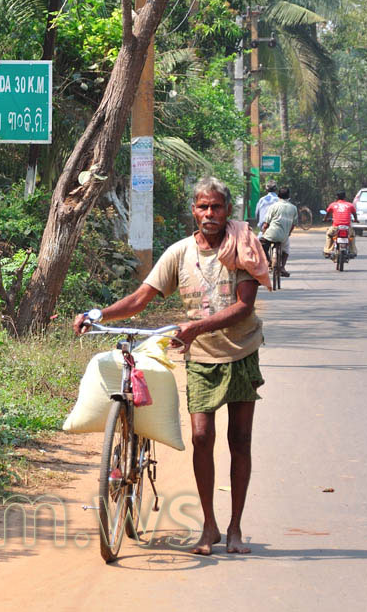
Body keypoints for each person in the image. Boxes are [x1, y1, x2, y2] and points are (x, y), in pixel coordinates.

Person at [74, 177, 270, 556]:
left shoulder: (241, 246)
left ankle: (235, 528)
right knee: (201, 438)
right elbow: (140, 298)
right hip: (199, 358)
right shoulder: (179, 253)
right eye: (202, 207)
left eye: (216, 207)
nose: (209, 214)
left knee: (240, 441)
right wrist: (98, 313)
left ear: (227, 210)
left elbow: (245, 306)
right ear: (193, 211)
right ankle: (209, 526)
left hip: (241, 352)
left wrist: (195, 326)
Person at [260, 187, 298, 276]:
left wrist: (264, 231)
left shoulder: (273, 206)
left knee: (261, 246)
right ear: (289, 196)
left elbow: (266, 223)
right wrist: (288, 233)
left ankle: (268, 262)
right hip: (284, 236)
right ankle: (282, 267)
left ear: (278, 196)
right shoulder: (293, 208)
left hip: (271, 234)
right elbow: (293, 224)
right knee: (286, 249)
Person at [324, 190, 358, 258]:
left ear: (337, 197)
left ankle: (327, 251)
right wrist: (356, 220)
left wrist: (325, 219)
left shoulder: (333, 205)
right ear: (345, 197)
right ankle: (353, 251)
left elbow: (327, 214)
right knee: (352, 236)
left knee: (329, 234)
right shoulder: (350, 205)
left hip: (336, 227)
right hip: (347, 228)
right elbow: (354, 214)